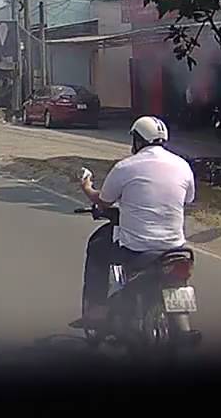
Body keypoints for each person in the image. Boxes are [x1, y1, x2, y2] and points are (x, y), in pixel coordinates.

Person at [77, 116, 195, 328]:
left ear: (138, 141)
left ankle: (96, 310)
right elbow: (188, 199)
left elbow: (103, 201)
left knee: (97, 247)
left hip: (137, 248)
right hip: (175, 247)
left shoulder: (125, 167)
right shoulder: (183, 165)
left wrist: (86, 186)